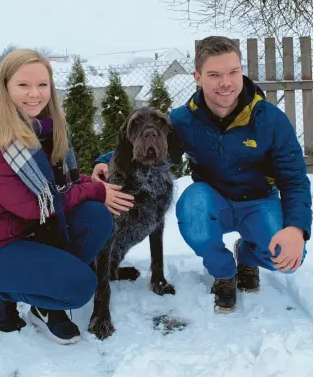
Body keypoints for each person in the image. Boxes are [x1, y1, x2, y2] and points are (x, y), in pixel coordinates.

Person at [91, 36, 312, 313]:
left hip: (259, 201)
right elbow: (148, 147)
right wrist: (103, 163)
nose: (226, 83)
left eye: (233, 72)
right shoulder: (184, 120)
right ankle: (224, 273)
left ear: (241, 70)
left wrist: (296, 228)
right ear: (197, 77)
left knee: (291, 258)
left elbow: (294, 179)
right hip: (211, 202)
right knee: (191, 204)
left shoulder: (270, 119)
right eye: (214, 74)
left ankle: (246, 254)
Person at [0, 49, 134, 344]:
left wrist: (87, 180)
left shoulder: (45, 126)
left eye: (42, 85)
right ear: (4, 86)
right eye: (23, 85)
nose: (34, 94)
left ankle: (44, 302)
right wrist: (93, 189)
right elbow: (33, 205)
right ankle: (0, 291)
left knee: (96, 216)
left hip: (34, 233)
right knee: (79, 287)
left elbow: (54, 184)